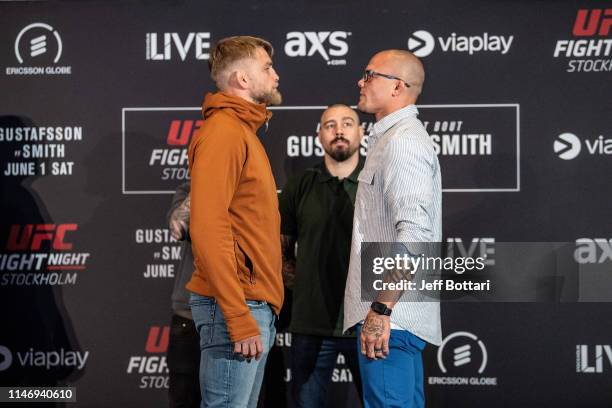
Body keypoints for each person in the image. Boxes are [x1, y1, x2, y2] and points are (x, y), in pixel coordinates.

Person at [187, 36, 284, 408]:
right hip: (235, 305)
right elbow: (208, 227)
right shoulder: (224, 132)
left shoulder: (242, 132)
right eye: (267, 68)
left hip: (249, 303)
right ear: (242, 79)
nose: (275, 76)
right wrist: (237, 314)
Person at [343, 50, 443, 408]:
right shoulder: (391, 139)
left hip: (391, 320)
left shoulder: (402, 142)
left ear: (398, 86)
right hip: (395, 319)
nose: (361, 81)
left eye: (370, 75)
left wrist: (381, 310)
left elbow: (414, 233)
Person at [279, 104, 364, 407]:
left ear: (361, 132)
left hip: (366, 323)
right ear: (319, 135)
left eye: (347, 123)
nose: (339, 131)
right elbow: (282, 251)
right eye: (330, 125)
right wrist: (301, 292)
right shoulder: (300, 185)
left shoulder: (377, 180)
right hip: (310, 325)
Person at [166, 182, 200, 408]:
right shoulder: (190, 189)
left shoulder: (249, 186)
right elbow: (178, 227)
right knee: (184, 397)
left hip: (237, 316)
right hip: (190, 315)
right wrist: (206, 181)